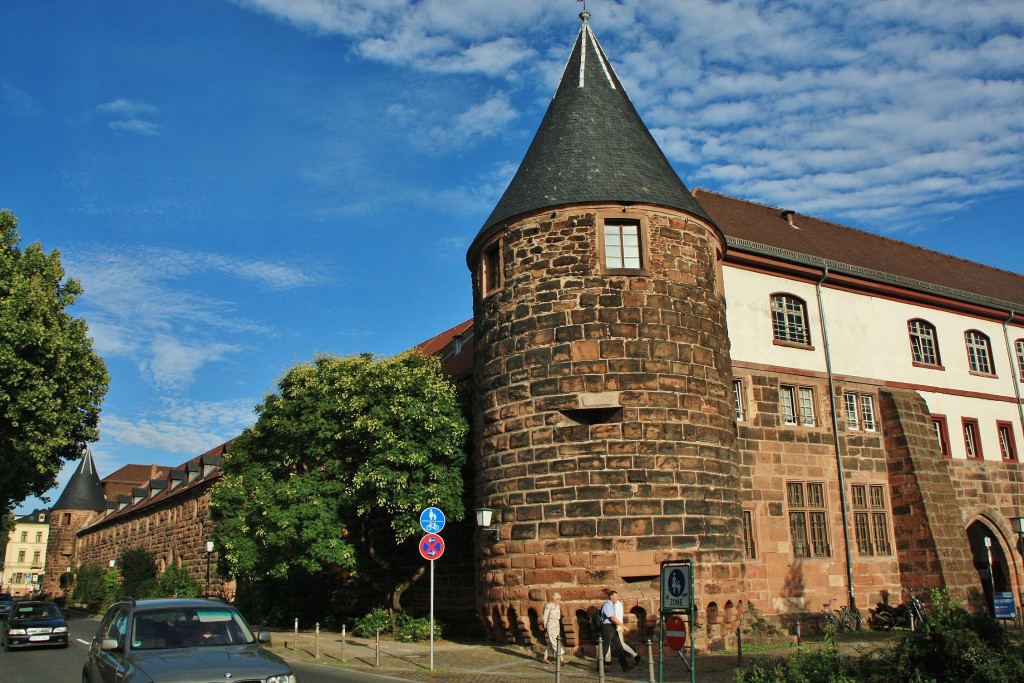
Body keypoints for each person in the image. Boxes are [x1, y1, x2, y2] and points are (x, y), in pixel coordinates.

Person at [604, 592, 641, 667]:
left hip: (616, 625)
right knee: (608, 642)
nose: (617, 597)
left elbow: (614, 617)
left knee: (620, 644)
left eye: (617, 596)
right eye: (616, 596)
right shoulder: (617, 604)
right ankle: (607, 659)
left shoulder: (615, 605)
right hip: (617, 625)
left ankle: (635, 656)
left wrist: (621, 626)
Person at [599, 590, 634, 672]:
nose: (617, 598)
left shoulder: (612, 605)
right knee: (605, 648)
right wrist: (623, 626)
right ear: (611, 597)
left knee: (619, 647)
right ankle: (599, 667)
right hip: (607, 628)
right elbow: (612, 618)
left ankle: (625, 666)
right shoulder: (607, 605)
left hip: (612, 627)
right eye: (616, 596)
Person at [539, 592, 566, 664]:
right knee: (555, 641)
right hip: (550, 624)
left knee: (551, 642)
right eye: (557, 599)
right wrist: (545, 625)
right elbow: (545, 616)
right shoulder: (549, 605)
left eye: (560, 599)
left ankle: (544, 658)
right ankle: (561, 659)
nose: (559, 600)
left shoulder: (558, 606)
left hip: (557, 624)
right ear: (554, 598)